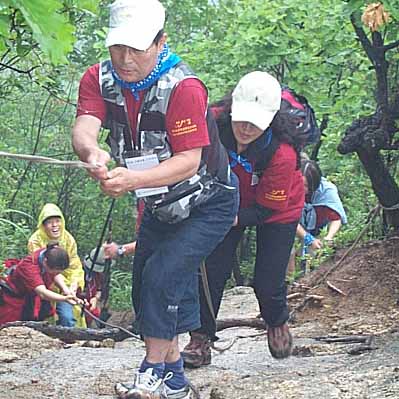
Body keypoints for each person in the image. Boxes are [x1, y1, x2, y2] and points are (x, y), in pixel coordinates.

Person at [71, 1, 239, 398]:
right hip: (159, 202)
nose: (125, 59)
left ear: (161, 41)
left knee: (163, 275)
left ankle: (150, 371)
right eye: (117, 48)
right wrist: (92, 153)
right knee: (145, 281)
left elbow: (188, 161)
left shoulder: (183, 87)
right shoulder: (98, 78)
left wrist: (132, 180)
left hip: (208, 202)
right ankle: (175, 377)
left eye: (137, 48)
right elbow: (84, 126)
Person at [181, 71, 305, 368]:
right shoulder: (210, 124)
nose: (247, 128)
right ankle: (200, 339)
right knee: (209, 269)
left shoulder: (283, 153)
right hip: (223, 201)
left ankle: (276, 320)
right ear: (233, 106)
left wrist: (228, 217)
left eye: (257, 123)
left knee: (267, 279)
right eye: (243, 118)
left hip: (276, 209)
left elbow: (266, 209)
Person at [28, 203, 86, 327]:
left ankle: (73, 341)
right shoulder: (36, 240)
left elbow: (75, 267)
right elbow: (45, 270)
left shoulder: (68, 239)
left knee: (69, 317)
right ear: (43, 225)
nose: (55, 225)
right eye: (49, 222)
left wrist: (73, 287)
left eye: (57, 221)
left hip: (67, 286)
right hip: (44, 286)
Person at [287, 159, 347, 275]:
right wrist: (307, 238)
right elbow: (289, 218)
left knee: (315, 254)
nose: (304, 189)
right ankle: (290, 283)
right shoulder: (290, 188)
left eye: (307, 186)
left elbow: (336, 218)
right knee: (288, 252)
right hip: (292, 228)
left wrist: (328, 237)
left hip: (317, 229)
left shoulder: (327, 191)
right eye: (301, 184)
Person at [0, 244, 82, 326]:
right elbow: (42, 293)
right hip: (15, 298)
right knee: (11, 326)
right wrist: (64, 298)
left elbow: (55, 275)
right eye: (54, 271)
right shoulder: (29, 266)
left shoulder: (49, 253)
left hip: (35, 296)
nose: (57, 273)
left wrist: (65, 290)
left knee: (44, 322)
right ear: (45, 261)